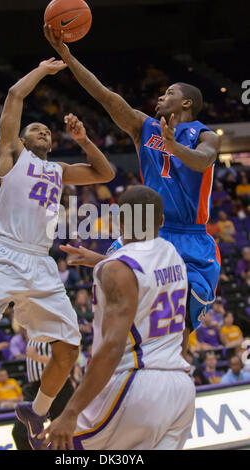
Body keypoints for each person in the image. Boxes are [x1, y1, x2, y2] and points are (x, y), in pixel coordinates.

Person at [0, 57, 114, 451]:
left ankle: (36, 411)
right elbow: (13, 94)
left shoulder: (58, 170)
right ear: (21, 140)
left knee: (70, 348)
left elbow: (104, 173)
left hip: (41, 263)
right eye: (35, 129)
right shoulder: (12, 157)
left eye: (47, 131)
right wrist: (43, 70)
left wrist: (84, 141)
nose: (43, 132)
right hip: (6, 253)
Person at [45, 26, 221, 353]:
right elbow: (103, 94)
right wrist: (68, 58)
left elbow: (204, 161)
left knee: (179, 330)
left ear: (185, 103)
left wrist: (175, 147)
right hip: (147, 230)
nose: (160, 96)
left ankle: (175, 385)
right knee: (121, 298)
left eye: (168, 92)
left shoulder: (205, 135)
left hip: (190, 236)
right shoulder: (144, 127)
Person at [39, 185, 195, 450]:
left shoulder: (116, 269)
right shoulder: (173, 255)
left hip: (138, 384)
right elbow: (143, 274)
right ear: (161, 221)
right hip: (181, 387)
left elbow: (112, 347)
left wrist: (71, 411)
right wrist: (100, 260)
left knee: (56, 447)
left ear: (119, 220)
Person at [12, 338, 74, 450]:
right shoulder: (33, 330)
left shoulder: (56, 329)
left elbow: (67, 360)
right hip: (35, 387)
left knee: (64, 431)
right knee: (19, 432)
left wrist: (37, 357)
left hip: (58, 384)